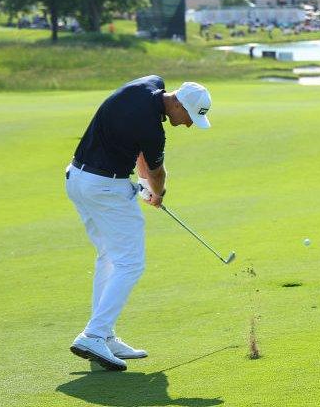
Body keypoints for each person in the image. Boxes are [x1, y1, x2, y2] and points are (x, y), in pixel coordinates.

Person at [65, 76, 212, 371]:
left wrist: (144, 184)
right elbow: (157, 173)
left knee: (109, 257)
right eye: (189, 118)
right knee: (131, 263)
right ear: (179, 104)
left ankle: (103, 335)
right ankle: (93, 334)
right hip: (106, 188)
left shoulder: (148, 85)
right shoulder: (153, 131)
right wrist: (157, 193)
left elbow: (140, 154)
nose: (187, 124)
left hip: (78, 179)